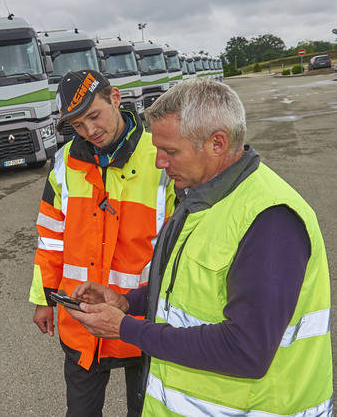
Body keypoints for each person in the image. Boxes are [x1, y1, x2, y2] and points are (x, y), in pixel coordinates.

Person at [67, 78, 333, 416]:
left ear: (217, 143)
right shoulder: (201, 198)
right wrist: (127, 301)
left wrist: (124, 328)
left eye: (170, 151)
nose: (159, 162)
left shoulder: (270, 221)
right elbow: (187, 291)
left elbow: (246, 350)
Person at [28, 70, 174, 416]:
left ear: (116, 99)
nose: (89, 131)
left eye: (94, 116)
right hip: (83, 323)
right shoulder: (64, 163)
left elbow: (178, 245)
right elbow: (50, 237)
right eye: (77, 125)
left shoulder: (161, 157)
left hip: (140, 320)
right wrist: (43, 299)